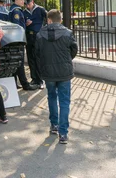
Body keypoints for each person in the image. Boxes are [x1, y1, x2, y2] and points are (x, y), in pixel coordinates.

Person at [35, 9, 78, 145]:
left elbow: (37, 53)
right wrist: (66, 60)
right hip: (64, 72)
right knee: (64, 101)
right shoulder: (67, 33)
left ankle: (54, 125)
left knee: (52, 97)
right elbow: (74, 49)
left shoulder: (40, 34)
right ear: (60, 19)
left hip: (48, 72)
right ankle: (63, 133)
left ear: (49, 20)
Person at [9, 0, 38, 91]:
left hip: (14, 40)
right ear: (16, 0)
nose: (23, 1)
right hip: (18, 40)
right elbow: (17, 26)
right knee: (19, 62)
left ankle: (13, 83)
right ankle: (25, 84)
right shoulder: (16, 11)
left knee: (15, 61)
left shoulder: (14, 9)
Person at [23, 0, 47, 89]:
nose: (27, 6)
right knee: (31, 58)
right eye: (26, 4)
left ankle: (41, 79)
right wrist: (26, 23)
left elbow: (48, 19)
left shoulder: (40, 10)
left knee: (39, 58)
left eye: (28, 4)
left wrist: (44, 30)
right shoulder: (24, 12)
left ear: (32, 2)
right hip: (29, 36)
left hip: (38, 36)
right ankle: (34, 79)